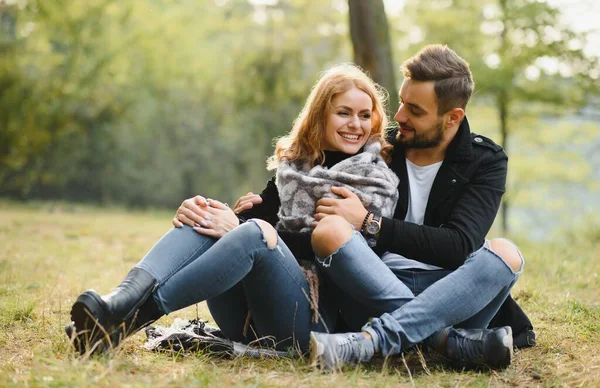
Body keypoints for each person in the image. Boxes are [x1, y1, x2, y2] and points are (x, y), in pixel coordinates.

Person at [206, 45, 528, 370]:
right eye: (401, 102)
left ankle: (371, 342)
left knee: (506, 253)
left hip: (451, 294)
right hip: (370, 284)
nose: (399, 116)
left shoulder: (485, 160)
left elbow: (458, 246)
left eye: (414, 110)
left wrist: (370, 222)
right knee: (332, 232)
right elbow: (308, 186)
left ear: (452, 118)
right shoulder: (378, 145)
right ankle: (448, 341)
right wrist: (251, 215)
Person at [66, 64, 399, 355]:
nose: (355, 124)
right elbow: (252, 227)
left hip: (310, 324)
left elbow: (343, 260)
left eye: (364, 115)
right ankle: (120, 300)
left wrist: (243, 228)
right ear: (320, 115)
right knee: (208, 211)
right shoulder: (295, 169)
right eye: (344, 112)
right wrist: (220, 217)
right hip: (247, 316)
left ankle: (126, 323)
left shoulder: (373, 179)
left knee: (253, 232)